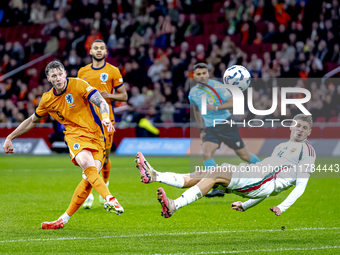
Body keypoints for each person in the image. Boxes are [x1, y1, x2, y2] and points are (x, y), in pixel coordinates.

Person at [2, 61, 124, 229]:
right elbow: (32, 121)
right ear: (48, 78)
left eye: (60, 74)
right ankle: (111, 199)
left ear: (65, 73)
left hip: (97, 135)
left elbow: (101, 102)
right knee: (87, 165)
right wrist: (10, 137)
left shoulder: (79, 84)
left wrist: (104, 116)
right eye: (54, 76)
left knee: (90, 178)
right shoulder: (47, 99)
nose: (58, 78)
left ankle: (63, 220)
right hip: (74, 136)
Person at [135, 114, 316, 218]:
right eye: (298, 125)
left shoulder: (307, 152)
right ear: (291, 126)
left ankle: (174, 205)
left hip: (260, 181)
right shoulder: (281, 147)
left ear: (309, 131)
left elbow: (299, 186)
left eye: (305, 128)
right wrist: (246, 205)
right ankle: (155, 175)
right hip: (256, 176)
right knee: (204, 173)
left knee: (216, 173)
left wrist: (282, 207)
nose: (300, 129)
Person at [189, 63, 260, 197]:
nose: (202, 76)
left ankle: (265, 173)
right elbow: (196, 109)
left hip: (226, 124)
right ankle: (217, 187)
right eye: (199, 74)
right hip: (210, 128)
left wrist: (215, 108)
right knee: (206, 153)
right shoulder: (193, 93)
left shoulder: (217, 86)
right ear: (195, 76)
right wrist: (201, 130)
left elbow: (233, 102)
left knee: (244, 156)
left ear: (208, 74)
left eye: (204, 73)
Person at [77, 39, 128, 208]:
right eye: (95, 48)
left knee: (104, 158)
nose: (98, 51)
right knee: (89, 157)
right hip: (87, 121)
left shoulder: (113, 71)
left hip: (107, 120)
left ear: (106, 52)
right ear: (90, 51)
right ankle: (89, 194)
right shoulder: (82, 72)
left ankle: (105, 183)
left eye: (101, 48)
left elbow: (124, 96)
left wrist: (110, 96)